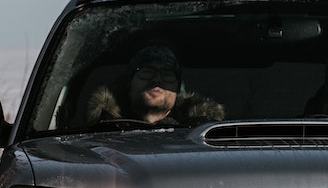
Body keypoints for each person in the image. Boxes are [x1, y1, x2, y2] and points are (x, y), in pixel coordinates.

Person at [82, 43, 225, 127]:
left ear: (178, 89)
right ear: (129, 83)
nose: (157, 79)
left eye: (167, 74)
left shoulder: (202, 132)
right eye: (147, 72)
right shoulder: (99, 131)